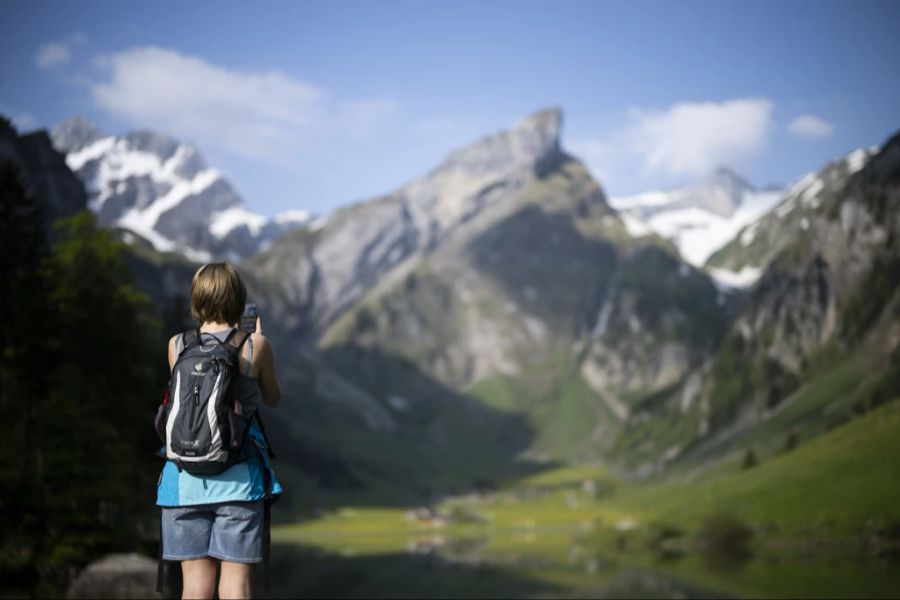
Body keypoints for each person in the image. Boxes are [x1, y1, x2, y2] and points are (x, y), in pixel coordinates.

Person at [156, 262, 283, 600]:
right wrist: (257, 339)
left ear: (197, 298)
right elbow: (273, 398)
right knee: (236, 588)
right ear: (239, 299)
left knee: (194, 588)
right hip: (240, 481)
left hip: (183, 480)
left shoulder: (177, 345)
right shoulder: (255, 345)